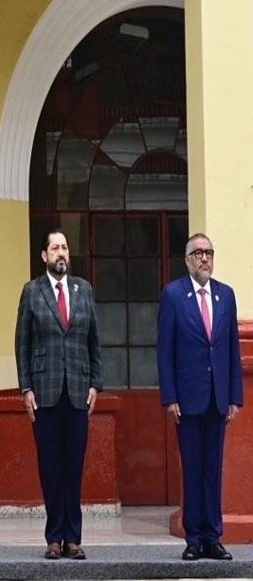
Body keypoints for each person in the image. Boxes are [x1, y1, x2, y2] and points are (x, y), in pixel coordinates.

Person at [14, 228, 102, 561]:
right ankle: (54, 537)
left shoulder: (84, 289)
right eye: (55, 248)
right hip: (44, 393)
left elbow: (94, 341)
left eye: (65, 247)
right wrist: (25, 387)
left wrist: (95, 383)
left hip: (78, 392)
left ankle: (73, 538)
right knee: (50, 467)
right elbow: (22, 342)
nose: (61, 253)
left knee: (73, 466)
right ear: (44, 256)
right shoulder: (32, 291)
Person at [157, 233, 242, 561]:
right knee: (192, 469)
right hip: (187, 401)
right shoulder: (173, 295)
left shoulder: (225, 295)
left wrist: (235, 396)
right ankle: (193, 537)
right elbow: (165, 351)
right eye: (198, 253)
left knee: (212, 470)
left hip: (218, 399)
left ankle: (212, 537)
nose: (204, 258)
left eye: (209, 253)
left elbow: (232, 348)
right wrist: (170, 397)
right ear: (187, 260)